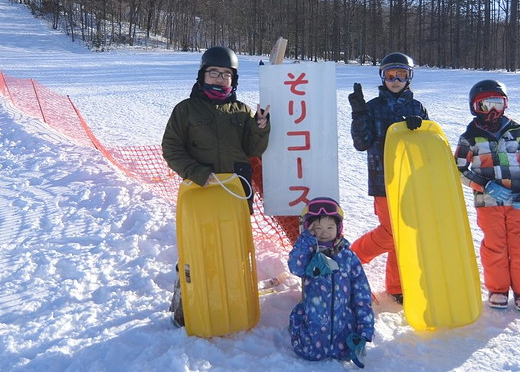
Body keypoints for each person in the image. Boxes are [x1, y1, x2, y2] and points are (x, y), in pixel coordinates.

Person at [162, 45, 271, 326]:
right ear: (202, 75)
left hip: (235, 191)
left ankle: (230, 301)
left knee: (232, 249)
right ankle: (188, 300)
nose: (220, 78)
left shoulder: (241, 110)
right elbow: (171, 149)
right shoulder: (185, 110)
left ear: (233, 80)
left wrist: (260, 126)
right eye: (214, 72)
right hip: (202, 191)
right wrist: (196, 172)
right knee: (199, 248)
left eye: (226, 74)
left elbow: (253, 148)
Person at [347, 52, 429, 305]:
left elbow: (429, 144)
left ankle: (397, 286)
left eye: (401, 74)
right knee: (391, 232)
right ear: (382, 78)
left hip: (410, 180)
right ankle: (351, 257)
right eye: (390, 75)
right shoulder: (373, 107)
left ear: (409, 77)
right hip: (383, 179)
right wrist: (360, 114)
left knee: (404, 232)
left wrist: (421, 127)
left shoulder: (417, 108)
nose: (395, 80)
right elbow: (361, 143)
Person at [454, 79, 520, 312]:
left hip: (517, 198)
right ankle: (498, 289)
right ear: (474, 108)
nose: (492, 111)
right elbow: (458, 169)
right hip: (488, 202)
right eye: (485, 105)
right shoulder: (470, 136)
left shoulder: (516, 132)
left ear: (505, 105)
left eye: (497, 104)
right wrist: (484, 185)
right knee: (495, 246)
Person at [288, 197, 374, 368]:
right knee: (310, 354)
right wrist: (305, 241)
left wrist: (364, 330)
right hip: (313, 330)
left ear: (338, 228)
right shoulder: (309, 254)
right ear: (309, 229)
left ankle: (337, 344)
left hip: (343, 331)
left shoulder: (348, 258)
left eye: (330, 227)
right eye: (318, 228)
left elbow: (361, 296)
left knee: (344, 354)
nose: (324, 232)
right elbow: (295, 267)